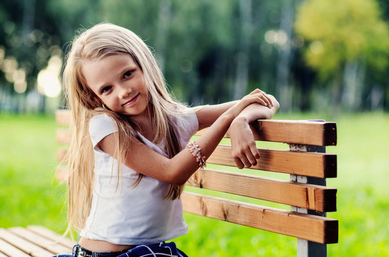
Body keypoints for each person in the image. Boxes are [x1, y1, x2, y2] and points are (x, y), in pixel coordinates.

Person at [55, 23, 279, 257]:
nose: (123, 91)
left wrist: (240, 122)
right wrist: (227, 120)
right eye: (107, 89)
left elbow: (267, 100)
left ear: (144, 65)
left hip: (147, 252)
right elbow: (172, 172)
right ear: (95, 97)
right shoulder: (105, 126)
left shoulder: (176, 120)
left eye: (127, 74)